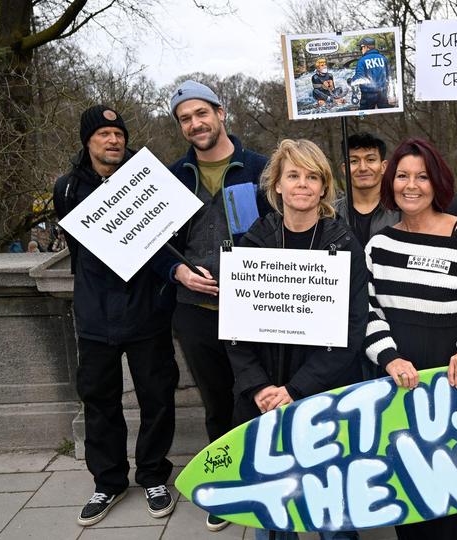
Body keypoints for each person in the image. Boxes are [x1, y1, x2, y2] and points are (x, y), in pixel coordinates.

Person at [363, 138, 457, 539]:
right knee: (410, 499)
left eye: (422, 176)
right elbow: (368, 314)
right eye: (403, 176)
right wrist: (389, 358)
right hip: (401, 388)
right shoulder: (379, 246)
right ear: (391, 182)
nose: (411, 185)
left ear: (437, 182)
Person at [226, 139, 366, 540]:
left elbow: (352, 332)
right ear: (277, 186)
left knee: (333, 512)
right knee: (274, 514)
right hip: (265, 399)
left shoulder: (344, 246)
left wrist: (296, 388)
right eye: (293, 175)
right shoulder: (251, 244)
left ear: (324, 187)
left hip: (325, 398)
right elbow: (235, 331)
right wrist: (259, 387)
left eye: (312, 176)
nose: (302, 184)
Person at [52, 105, 178, 527]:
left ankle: (154, 475)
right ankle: (107, 481)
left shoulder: (148, 181)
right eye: (104, 134)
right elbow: (77, 248)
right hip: (94, 316)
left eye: (118, 133)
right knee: (98, 401)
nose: (113, 140)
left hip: (147, 311)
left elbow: (165, 243)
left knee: (157, 397)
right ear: (87, 141)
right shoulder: (67, 188)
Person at [159, 79, 271, 532]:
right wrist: (178, 273)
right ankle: (223, 482)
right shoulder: (169, 179)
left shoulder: (262, 168)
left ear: (221, 113)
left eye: (201, 113)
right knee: (214, 403)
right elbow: (152, 245)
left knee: (257, 393)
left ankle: (262, 474)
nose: (194, 124)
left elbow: (285, 230)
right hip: (193, 311)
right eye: (185, 119)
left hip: (254, 309)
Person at [334, 132, 400, 248]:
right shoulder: (330, 214)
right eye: (354, 161)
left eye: (370, 160)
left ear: (383, 166)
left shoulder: (401, 212)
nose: (363, 168)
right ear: (344, 169)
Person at [350, 37, 391, 110]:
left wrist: (351, 80)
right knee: (385, 113)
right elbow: (388, 75)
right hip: (383, 93)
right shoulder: (383, 58)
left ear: (366, 47)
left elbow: (359, 78)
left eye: (361, 48)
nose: (361, 50)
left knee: (364, 115)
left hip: (368, 95)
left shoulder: (361, 61)